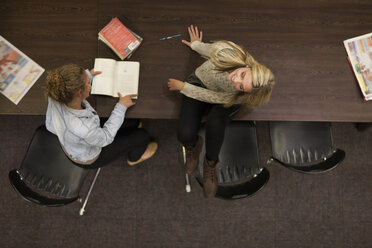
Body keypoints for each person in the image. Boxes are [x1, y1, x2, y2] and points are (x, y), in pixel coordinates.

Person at [167, 25, 275, 198]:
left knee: (215, 122)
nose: (235, 81)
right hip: (199, 82)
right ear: (248, 65)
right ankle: (194, 147)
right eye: (241, 75)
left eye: (241, 86)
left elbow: (213, 98)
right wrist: (196, 46)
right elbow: (210, 50)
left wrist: (183, 88)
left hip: (223, 98)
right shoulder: (228, 52)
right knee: (184, 135)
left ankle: (210, 162)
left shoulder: (239, 94)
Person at [45, 64, 157, 169]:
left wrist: (86, 76)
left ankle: (132, 130)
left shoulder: (56, 93)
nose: (90, 83)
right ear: (79, 93)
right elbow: (106, 137)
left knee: (133, 122)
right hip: (90, 157)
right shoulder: (84, 128)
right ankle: (134, 158)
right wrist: (121, 106)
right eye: (89, 82)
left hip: (74, 140)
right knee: (142, 136)